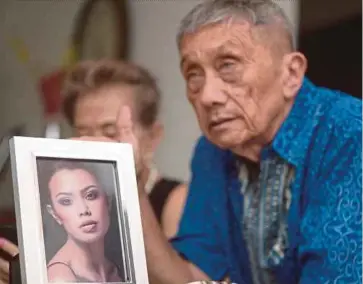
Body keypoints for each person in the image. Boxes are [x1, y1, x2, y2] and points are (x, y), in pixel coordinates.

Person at [75, 1, 360, 283]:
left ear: (291, 73)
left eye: (228, 66)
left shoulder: (348, 133)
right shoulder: (211, 152)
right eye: (193, 74)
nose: (207, 95)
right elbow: (189, 275)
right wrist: (132, 185)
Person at [61, 60, 188, 239]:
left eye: (111, 133)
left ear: (153, 137)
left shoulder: (177, 201)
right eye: (83, 135)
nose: (95, 145)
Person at [37, 159, 123, 282]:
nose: (83, 210)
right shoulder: (60, 278)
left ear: (107, 201)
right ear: (54, 214)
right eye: (66, 201)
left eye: (91, 195)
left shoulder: (116, 269)